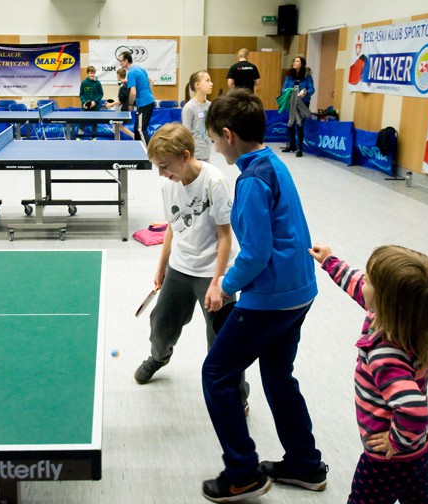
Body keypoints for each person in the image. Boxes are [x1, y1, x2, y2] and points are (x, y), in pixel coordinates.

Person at [200, 88, 325, 503]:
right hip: (299, 292)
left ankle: (242, 473)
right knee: (276, 374)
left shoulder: (251, 180)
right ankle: (306, 465)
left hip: (270, 299)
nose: (216, 148)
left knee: (216, 374)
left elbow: (254, 254)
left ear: (228, 135)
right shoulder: (273, 161)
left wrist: (224, 285)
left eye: (215, 140)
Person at [308, 243, 428, 504]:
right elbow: (359, 287)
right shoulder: (404, 321)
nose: (363, 282)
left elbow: (414, 410)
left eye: (370, 280)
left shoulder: (386, 356)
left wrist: (396, 441)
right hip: (421, 447)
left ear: (386, 301)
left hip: (389, 461)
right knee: (416, 497)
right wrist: (330, 262)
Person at [134, 123, 248, 408]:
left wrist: (218, 281)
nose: (161, 173)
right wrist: (162, 265)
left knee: (223, 340)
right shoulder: (168, 185)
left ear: (185, 156)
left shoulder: (215, 182)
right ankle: (159, 357)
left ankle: (237, 393)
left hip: (213, 272)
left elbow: (225, 236)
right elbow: (173, 226)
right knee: (160, 324)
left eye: (164, 165)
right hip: (179, 268)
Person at [117, 50, 156, 144]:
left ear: (126, 61)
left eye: (121, 60)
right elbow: (151, 81)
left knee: (140, 129)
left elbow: (133, 92)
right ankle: (138, 152)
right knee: (136, 128)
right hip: (148, 101)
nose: (120, 62)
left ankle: (149, 155)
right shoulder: (139, 68)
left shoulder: (130, 73)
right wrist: (148, 94)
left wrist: (130, 104)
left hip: (144, 103)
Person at [281, 56, 314, 157]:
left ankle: (300, 147)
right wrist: (288, 92)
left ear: (302, 63)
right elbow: (284, 88)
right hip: (292, 102)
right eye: (294, 61)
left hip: (302, 103)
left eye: (297, 61)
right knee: (290, 124)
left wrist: (305, 92)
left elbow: (312, 89)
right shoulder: (289, 75)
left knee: (300, 124)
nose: (295, 63)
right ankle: (292, 145)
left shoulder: (307, 76)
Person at [181, 70, 214, 162]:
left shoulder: (210, 105)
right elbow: (185, 134)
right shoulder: (189, 107)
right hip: (194, 156)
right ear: (197, 85)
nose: (211, 83)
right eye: (207, 81)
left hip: (206, 154)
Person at [105, 68, 134, 139]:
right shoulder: (127, 84)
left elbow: (121, 100)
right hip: (124, 108)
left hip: (122, 109)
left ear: (118, 75)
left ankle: (133, 136)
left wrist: (110, 105)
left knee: (116, 125)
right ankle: (120, 139)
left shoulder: (122, 86)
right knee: (117, 125)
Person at [78, 65, 103, 138]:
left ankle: (93, 137)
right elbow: (81, 94)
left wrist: (94, 102)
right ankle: (79, 136)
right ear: (88, 73)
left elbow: (101, 94)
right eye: (91, 73)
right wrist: (84, 102)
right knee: (82, 122)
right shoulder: (84, 83)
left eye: (93, 73)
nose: (92, 75)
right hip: (85, 107)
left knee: (94, 122)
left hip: (95, 107)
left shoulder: (98, 83)